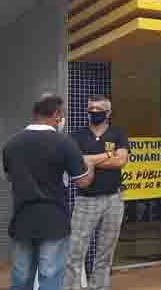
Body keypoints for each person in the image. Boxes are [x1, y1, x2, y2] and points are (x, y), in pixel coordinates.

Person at [3, 94, 95, 290]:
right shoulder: (64, 143)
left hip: (22, 220)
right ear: (56, 114)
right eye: (62, 115)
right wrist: (90, 164)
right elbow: (83, 181)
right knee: (50, 277)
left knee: (21, 277)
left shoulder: (11, 144)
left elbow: (10, 177)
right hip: (54, 221)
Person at [64, 95, 129, 290]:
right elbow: (76, 162)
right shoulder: (77, 136)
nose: (93, 112)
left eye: (98, 109)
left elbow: (121, 160)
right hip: (86, 200)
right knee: (74, 251)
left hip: (114, 199)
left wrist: (90, 160)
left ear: (108, 113)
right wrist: (107, 155)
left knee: (105, 253)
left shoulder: (118, 133)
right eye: (91, 108)